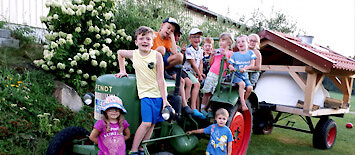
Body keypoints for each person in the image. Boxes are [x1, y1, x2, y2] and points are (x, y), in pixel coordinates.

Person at [114, 26, 171, 154]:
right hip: (145, 94)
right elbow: (120, 53)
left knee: (153, 124)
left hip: (157, 94)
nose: (144, 41)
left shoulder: (156, 56)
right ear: (136, 42)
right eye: (141, 38)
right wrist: (122, 70)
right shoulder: (134, 54)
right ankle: (133, 150)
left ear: (152, 42)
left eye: (148, 39)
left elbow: (161, 79)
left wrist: (165, 99)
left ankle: (142, 147)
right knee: (146, 123)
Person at [201, 33, 234, 116]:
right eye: (220, 40)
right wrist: (212, 55)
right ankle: (202, 108)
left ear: (229, 42)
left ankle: (210, 108)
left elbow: (230, 64)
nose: (220, 42)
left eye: (223, 40)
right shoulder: (217, 51)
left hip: (221, 75)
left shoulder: (230, 53)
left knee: (214, 93)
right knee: (207, 91)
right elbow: (211, 63)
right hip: (212, 73)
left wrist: (225, 56)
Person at [228, 35, 257, 111]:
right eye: (238, 42)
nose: (240, 43)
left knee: (250, 88)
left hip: (244, 75)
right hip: (235, 75)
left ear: (248, 42)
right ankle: (243, 104)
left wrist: (245, 68)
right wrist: (231, 67)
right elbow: (230, 64)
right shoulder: (235, 54)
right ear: (237, 45)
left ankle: (242, 101)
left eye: (243, 41)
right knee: (242, 84)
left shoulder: (251, 53)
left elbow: (252, 65)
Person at [182, 27, 205, 119]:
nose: (197, 39)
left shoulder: (200, 49)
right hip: (186, 71)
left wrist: (201, 73)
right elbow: (193, 64)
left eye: (198, 37)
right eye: (194, 37)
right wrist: (199, 74)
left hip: (194, 72)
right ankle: (193, 108)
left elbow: (200, 62)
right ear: (190, 38)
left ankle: (199, 109)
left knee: (199, 87)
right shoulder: (189, 49)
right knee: (196, 84)